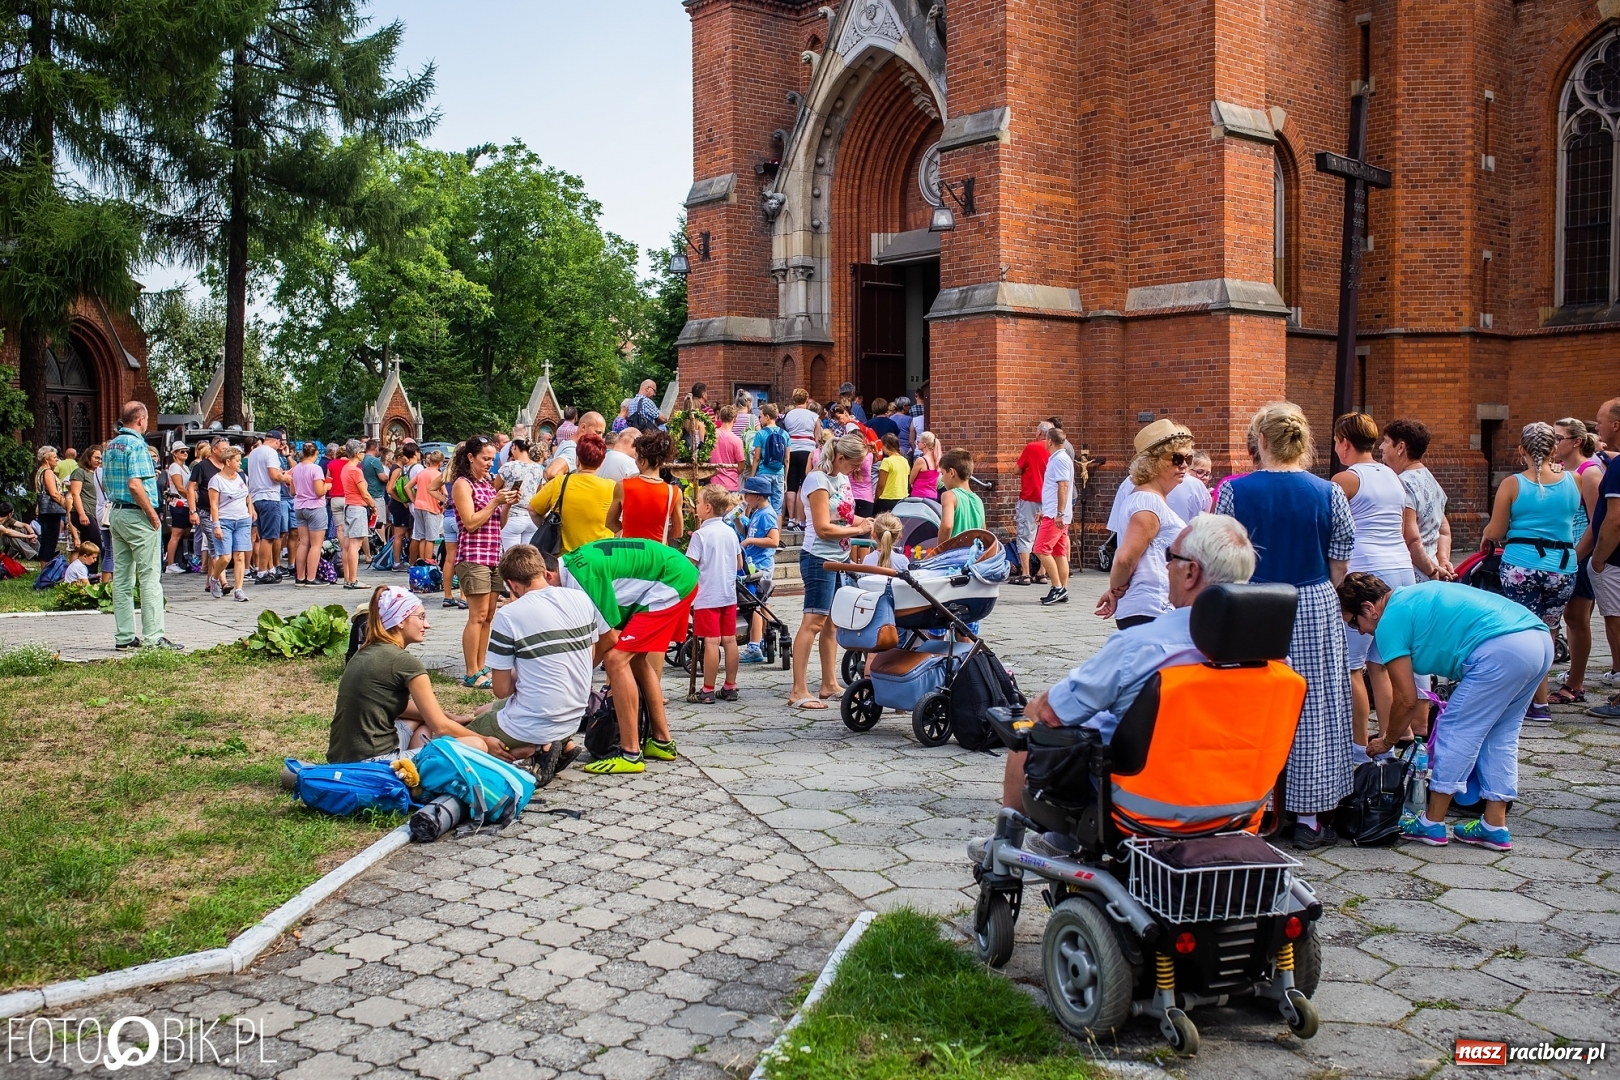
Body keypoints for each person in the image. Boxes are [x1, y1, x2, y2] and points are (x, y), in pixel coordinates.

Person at [992, 516, 1257, 834]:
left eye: (1169, 556)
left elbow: (1053, 711)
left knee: (1030, 722)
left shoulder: (1142, 645)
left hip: (1148, 809)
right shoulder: (1270, 659)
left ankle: (1007, 843)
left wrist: (1036, 709)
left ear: (1191, 573)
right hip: (1241, 807)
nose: (1166, 565)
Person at [1215, 402, 1354, 849]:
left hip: (1252, 601)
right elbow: (1339, 563)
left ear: (1261, 441)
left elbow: (1222, 557)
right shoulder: (1328, 491)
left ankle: (1253, 809)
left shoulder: (1234, 490)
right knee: (1313, 706)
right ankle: (1309, 817)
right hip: (1312, 600)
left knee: (1251, 703)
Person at [1339, 573, 1552, 850]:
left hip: (1501, 648)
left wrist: (1387, 741)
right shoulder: (1411, 596)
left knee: (1455, 729)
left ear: (1369, 608)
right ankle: (1493, 825)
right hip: (1538, 640)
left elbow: (1406, 699)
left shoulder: (1389, 620)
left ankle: (1431, 821)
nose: (1359, 632)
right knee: (1500, 734)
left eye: (1355, 623)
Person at [560, 537, 699, 774]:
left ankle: (630, 754)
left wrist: (578, 677)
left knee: (615, 659)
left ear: (546, 575)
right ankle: (662, 741)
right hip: (672, 574)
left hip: (672, 580)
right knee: (635, 659)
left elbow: (608, 639)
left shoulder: (579, 578)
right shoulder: (571, 564)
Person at [328, 586, 513, 763]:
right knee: (476, 745)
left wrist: (450, 716)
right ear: (400, 620)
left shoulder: (366, 651)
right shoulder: (404, 663)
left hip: (342, 759)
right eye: (421, 617)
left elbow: (399, 707)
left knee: (421, 721)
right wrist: (485, 740)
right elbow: (441, 727)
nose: (427, 625)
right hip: (375, 764)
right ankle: (413, 771)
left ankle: (416, 766)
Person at [473, 545, 605, 783]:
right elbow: (591, 654)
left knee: (460, 739)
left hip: (533, 723)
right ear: (545, 572)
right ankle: (559, 744)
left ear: (512, 585)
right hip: (575, 714)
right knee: (482, 710)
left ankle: (528, 751)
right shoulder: (581, 598)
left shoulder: (509, 615)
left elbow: (502, 689)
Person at [1480, 422, 1579, 723]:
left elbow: (1496, 531)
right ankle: (1541, 702)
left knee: (1523, 631)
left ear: (1521, 449)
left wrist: (1486, 534)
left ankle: (1530, 701)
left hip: (1522, 565)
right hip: (1562, 566)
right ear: (1554, 449)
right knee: (1549, 630)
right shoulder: (1572, 480)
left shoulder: (1513, 484)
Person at [1331, 412, 1415, 749]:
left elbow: (1331, 530)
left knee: (1353, 666)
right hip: (1401, 567)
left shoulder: (1346, 479)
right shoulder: (1393, 475)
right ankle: (1398, 735)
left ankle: (1358, 745)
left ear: (1344, 443)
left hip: (1366, 571)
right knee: (1382, 660)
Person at [788, 433, 873, 709]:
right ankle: (798, 690)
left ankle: (829, 684)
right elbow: (824, 528)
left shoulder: (842, 479)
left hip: (838, 559)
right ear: (840, 457)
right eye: (854, 464)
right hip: (819, 558)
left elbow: (845, 517)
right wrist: (858, 530)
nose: (857, 470)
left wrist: (868, 522)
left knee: (832, 623)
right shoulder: (817, 480)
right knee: (813, 622)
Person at [1096, 420, 1191, 630]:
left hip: (1151, 607)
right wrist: (1114, 591)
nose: (1184, 465)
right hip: (1151, 608)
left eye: (1188, 458)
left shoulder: (1151, 499)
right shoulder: (1148, 501)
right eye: (1177, 458)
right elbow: (1125, 558)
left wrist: (1114, 590)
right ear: (1152, 462)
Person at [99, 405, 176, 650]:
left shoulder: (111, 445)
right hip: (138, 514)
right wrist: (152, 514)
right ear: (141, 420)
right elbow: (135, 485)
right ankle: (154, 637)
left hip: (116, 513)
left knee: (122, 577)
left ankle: (124, 636)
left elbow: (107, 482)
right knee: (149, 577)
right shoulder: (137, 445)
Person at [453, 436, 522, 688]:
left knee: (489, 615)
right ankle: (471, 672)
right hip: (473, 556)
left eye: (492, 459)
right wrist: (495, 502)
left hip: (493, 556)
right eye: (485, 458)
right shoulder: (462, 484)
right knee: (477, 615)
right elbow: (470, 523)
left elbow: (498, 523)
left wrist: (507, 505)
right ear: (470, 457)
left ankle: (481, 666)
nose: (489, 464)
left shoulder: (487, 484)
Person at [1552, 417, 1604, 705]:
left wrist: (1577, 557)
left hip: (1579, 555)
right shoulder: (1560, 470)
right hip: (1560, 553)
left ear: (1576, 442)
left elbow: (1597, 523)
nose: (1554, 443)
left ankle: (1576, 683)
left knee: (1577, 617)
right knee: (1563, 617)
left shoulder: (1589, 473)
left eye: (1559, 438)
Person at [687, 485, 743, 703]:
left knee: (711, 642)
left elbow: (690, 566)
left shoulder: (700, 535)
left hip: (707, 595)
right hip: (728, 594)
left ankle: (707, 689)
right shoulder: (730, 532)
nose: (696, 505)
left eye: (698, 502)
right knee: (729, 640)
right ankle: (730, 686)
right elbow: (739, 564)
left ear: (708, 507)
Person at [1380, 418, 1453, 583]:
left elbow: (1411, 538)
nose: (1381, 447)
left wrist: (1432, 572)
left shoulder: (1403, 484)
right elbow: (1444, 530)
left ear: (1400, 447)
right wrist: (1443, 560)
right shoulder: (1432, 481)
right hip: (1433, 568)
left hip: (1414, 573)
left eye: (1386, 441)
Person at [1585, 397, 1620, 719]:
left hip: (1615, 561)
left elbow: (1614, 519)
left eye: (1600, 420)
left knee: (1617, 622)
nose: (1597, 427)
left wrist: (1598, 559)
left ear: (1615, 425)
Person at [527, 431, 614, 553]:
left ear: (577, 459)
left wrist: (551, 529)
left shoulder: (560, 482)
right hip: (599, 557)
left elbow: (532, 509)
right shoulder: (612, 487)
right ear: (601, 462)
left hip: (565, 558)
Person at [735, 475, 781, 664]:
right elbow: (747, 532)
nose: (745, 498)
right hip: (754, 563)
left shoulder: (767, 514)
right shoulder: (757, 513)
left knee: (753, 604)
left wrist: (749, 541)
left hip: (761, 565)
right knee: (761, 602)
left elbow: (774, 540)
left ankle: (754, 646)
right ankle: (765, 637)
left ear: (757, 496)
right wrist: (738, 521)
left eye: (748, 495)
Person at [608, 431, 684, 545]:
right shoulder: (674, 493)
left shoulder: (623, 486)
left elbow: (610, 523)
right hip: (657, 551)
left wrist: (627, 532)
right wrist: (661, 536)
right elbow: (678, 532)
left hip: (630, 549)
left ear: (642, 460)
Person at [207, 445, 255, 602]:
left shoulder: (241, 476)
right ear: (228, 462)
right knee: (225, 557)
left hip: (242, 520)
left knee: (240, 555)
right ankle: (215, 579)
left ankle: (239, 589)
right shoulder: (216, 480)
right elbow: (214, 505)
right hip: (225, 520)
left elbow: (247, 494)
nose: (240, 463)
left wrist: (250, 510)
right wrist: (216, 525)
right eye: (237, 460)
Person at [1034, 424, 1074, 606]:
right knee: (1059, 553)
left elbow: (1063, 486)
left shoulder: (1060, 460)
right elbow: (1054, 489)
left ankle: (1057, 587)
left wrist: (1058, 513)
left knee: (1040, 549)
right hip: (1054, 512)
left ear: (1049, 441)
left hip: (1055, 516)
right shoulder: (1060, 458)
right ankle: (1063, 589)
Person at [245, 430, 288, 582]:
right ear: (277, 441)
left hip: (256, 497)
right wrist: (287, 478)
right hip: (269, 497)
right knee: (269, 537)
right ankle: (262, 572)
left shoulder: (254, 453)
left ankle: (269, 568)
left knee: (263, 536)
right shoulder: (271, 452)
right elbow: (274, 475)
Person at [1012, 421, 1051, 585]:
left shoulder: (1031, 447)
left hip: (1030, 496)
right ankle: (1042, 573)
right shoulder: (1055, 450)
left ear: (1040, 433)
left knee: (1026, 534)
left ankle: (1026, 574)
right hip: (1049, 499)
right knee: (1046, 536)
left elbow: (1016, 469)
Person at [289, 442, 330, 587]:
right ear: (316, 453)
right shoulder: (316, 469)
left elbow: (292, 491)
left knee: (303, 542)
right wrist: (327, 486)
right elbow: (319, 491)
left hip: (300, 507)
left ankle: (300, 576)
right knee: (316, 545)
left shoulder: (296, 469)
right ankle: (311, 577)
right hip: (315, 507)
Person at [436, 442, 467, 610]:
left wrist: (445, 500)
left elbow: (431, 488)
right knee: (463, 558)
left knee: (449, 559)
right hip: (460, 517)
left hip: (448, 518)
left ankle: (447, 596)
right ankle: (463, 596)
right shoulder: (465, 472)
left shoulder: (447, 470)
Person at [781, 389, 819, 528]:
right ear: (807, 399)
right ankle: (800, 519)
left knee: (791, 485)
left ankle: (791, 519)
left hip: (791, 450)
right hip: (808, 450)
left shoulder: (788, 415)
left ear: (793, 399)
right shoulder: (814, 416)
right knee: (803, 485)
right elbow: (818, 438)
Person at [936, 448, 984, 544]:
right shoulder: (978, 500)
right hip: (972, 552)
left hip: (954, 552)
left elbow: (947, 526)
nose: (941, 480)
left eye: (942, 473)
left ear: (951, 472)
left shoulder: (949, 496)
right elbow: (983, 532)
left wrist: (939, 550)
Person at [749, 404, 789, 514]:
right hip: (779, 473)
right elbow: (786, 459)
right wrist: (785, 478)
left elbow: (756, 458)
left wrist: (752, 476)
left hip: (764, 473)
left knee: (765, 507)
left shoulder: (760, 434)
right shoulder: (785, 434)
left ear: (767, 417)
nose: (759, 419)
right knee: (777, 509)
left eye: (761, 416)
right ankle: (777, 526)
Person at [408, 450, 446, 562]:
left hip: (419, 506)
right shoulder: (439, 475)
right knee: (431, 538)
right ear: (440, 462)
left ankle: (421, 561)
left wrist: (414, 500)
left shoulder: (422, 472)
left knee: (422, 537)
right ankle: (428, 563)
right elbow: (445, 493)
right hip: (431, 508)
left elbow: (407, 487)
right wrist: (443, 504)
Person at [32, 446, 67, 564]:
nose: (57, 459)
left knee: (46, 540)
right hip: (50, 511)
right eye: (54, 457)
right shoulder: (48, 472)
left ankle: (44, 568)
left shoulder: (40, 471)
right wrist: (66, 504)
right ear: (46, 459)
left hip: (43, 510)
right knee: (51, 541)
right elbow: (54, 493)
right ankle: (46, 569)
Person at [162, 444, 191, 573]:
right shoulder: (174, 467)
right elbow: (179, 488)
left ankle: (183, 559)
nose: (185, 453)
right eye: (182, 451)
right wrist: (192, 497)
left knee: (185, 533)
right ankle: (170, 564)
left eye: (186, 451)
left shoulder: (186, 467)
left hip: (187, 503)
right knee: (176, 534)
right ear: (175, 453)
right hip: (179, 502)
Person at [67, 446, 100, 562]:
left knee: (88, 545)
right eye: (96, 458)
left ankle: (83, 569)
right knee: (96, 542)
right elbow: (75, 494)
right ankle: (91, 570)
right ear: (88, 457)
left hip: (95, 512)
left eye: (101, 458)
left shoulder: (98, 473)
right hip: (83, 512)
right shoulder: (80, 472)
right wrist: (82, 514)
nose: (99, 461)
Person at [711, 405, 746, 492]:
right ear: (734, 419)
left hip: (714, 484)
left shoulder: (711, 436)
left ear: (720, 418)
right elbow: (741, 466)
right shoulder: (736, 440)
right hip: (731, 483)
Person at [874, 432, 909, 517]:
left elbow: (880, 485)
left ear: (886, 445)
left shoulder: (887, 461)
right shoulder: (905, 461)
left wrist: (875, 498)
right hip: (902, 498)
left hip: (887, 498)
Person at [909, 432, 941, 501]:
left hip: (919, 496)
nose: (917, 444)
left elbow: (911, 480)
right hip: (933, 495)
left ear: (924, 445)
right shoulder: (936, 459)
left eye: (918, 442)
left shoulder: (921, 460)